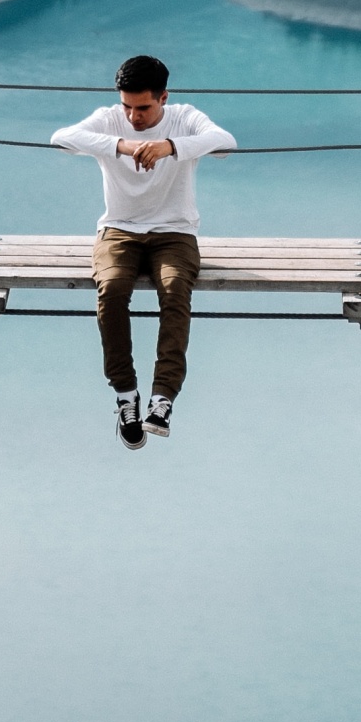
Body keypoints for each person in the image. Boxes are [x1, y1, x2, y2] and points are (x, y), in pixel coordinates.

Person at [51, 54, 236, 449]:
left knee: (174, 292)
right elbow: (62, 138)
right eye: (127, 107)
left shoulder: (184, 117)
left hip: (175, 231)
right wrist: (119, 145)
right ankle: (125, 394)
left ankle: (163, 397)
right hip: (119, 230)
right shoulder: (110, 120)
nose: (133, 116)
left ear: (164, 97)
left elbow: (225, 142)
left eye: (143, 107)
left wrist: (170, 146)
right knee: (112, 289)